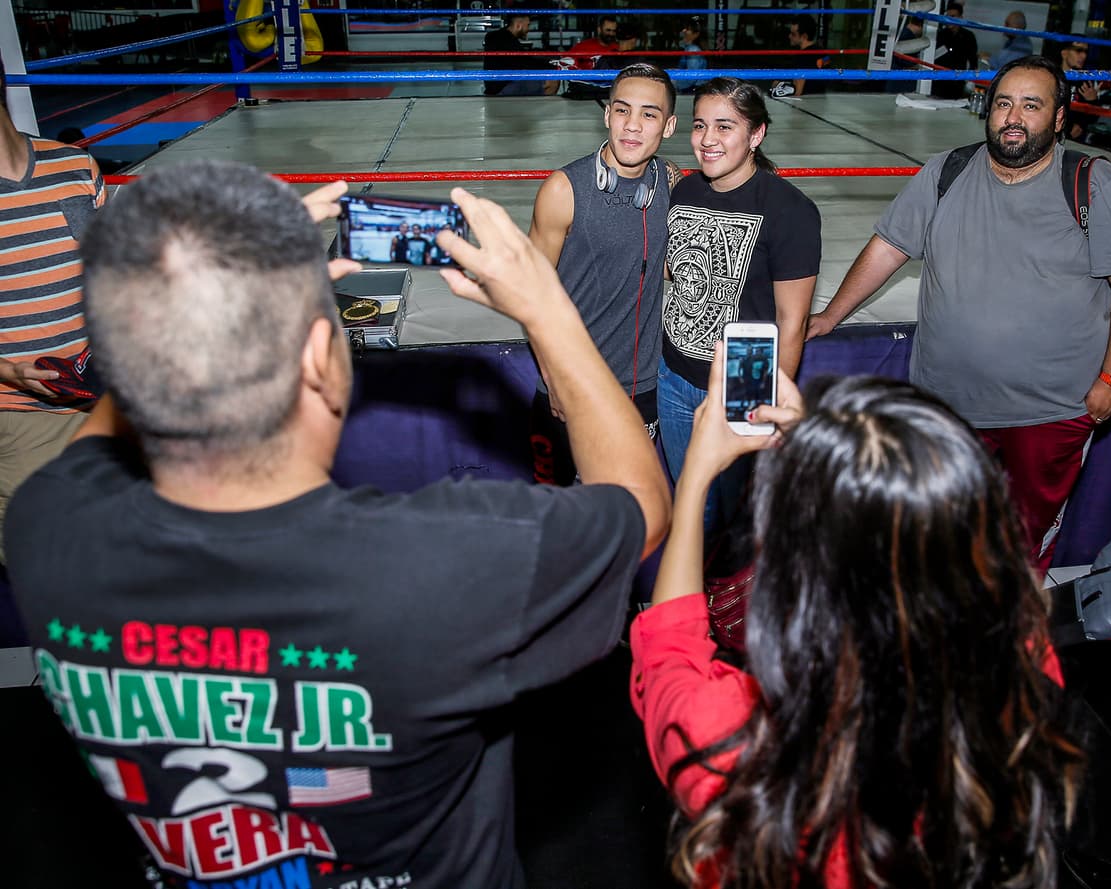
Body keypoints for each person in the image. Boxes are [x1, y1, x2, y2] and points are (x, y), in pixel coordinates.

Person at [6, 161, 671, 889]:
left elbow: (116, 408)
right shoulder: (447, 563)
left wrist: (211, 282)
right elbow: (639, 499)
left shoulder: (47, 527)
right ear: (323, 360)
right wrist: (549, 309)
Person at [630, 350, 1084, 887]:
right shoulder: (1022, 684)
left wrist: (696, 480)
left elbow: (669, 648)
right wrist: (825, 458)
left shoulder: (734, 748)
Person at [808, 56, 1111, 574]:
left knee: (1022, 544)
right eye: (1004, 104)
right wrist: (830, 315)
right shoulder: (944, 173)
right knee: (936, 532)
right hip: (947, 403)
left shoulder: (1096, 186)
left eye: (1031, 106)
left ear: (1059, 117)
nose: (1013, 117)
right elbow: (889, 246)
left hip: (1049, 411)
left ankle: (1008, 642)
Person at [660, 77, 820, 531]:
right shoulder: (685, 191)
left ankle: (717, 596)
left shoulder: (790, 210)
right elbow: (678, 272)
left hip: (741, 381)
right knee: (688, 500)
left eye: (725, 127)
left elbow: (792, 322)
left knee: (721, 516)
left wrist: (763, 410)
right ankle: (697, 593)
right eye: (699, 125)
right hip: (672, 372)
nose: (708, 140)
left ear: (756, 135)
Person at [528, 63, 681, 486]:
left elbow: (666, 267)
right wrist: (553, 377)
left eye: (649, 114)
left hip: (641, 387)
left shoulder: (669, 182)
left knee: (627, 513)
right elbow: (530, 294)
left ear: (668, 126)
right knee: (558, 516)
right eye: (622, 110)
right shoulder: (562, 190)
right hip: (570, 383)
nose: (632, 126)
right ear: (606, 114)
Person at [0, 60, 105, 563]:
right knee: (46, 562)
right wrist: (10, 373)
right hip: (17, 413)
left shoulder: (74, 167)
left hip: (103, 396)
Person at [483, 15, 558, 97]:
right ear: (518, 25)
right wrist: (552, 65)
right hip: (502, 88)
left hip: (495, 87)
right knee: (553, 80)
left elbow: (522, 59)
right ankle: (546, 108)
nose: (528, 29)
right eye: (527, 25)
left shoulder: (502, 37)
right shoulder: (507, 39)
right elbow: (525, 62)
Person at [770, 14, 828, 99]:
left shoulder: (804, 56)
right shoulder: (822, 52)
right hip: (821, 101)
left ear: (804, 36)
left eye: (793, 34)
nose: (789, 36)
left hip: (806, 105)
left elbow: (798, 91)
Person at [1058, 35, 1104, 142]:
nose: (1083, 56)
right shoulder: (1050, 77)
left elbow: (1093, 119)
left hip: (1074, 141)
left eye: (1085, 52)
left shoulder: (1086, 80)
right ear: (1064, 53)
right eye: (1078, 51)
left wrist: (1092, 101)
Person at [932, 3, 978, 99]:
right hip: (937, 81)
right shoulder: (939, 35)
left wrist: (970, 82)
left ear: (960, 17)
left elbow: (973, 61)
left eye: (953, 16)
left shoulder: (968, 37)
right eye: (947, 16)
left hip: (957, 83)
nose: (949, 19)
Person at [676, 18, 710, 93]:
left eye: (688, 29)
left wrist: (676, 84)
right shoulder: (691, 48)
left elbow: (691, 77)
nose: (684, 31)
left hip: (691, 91)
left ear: (696, 34)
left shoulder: (693, 50)